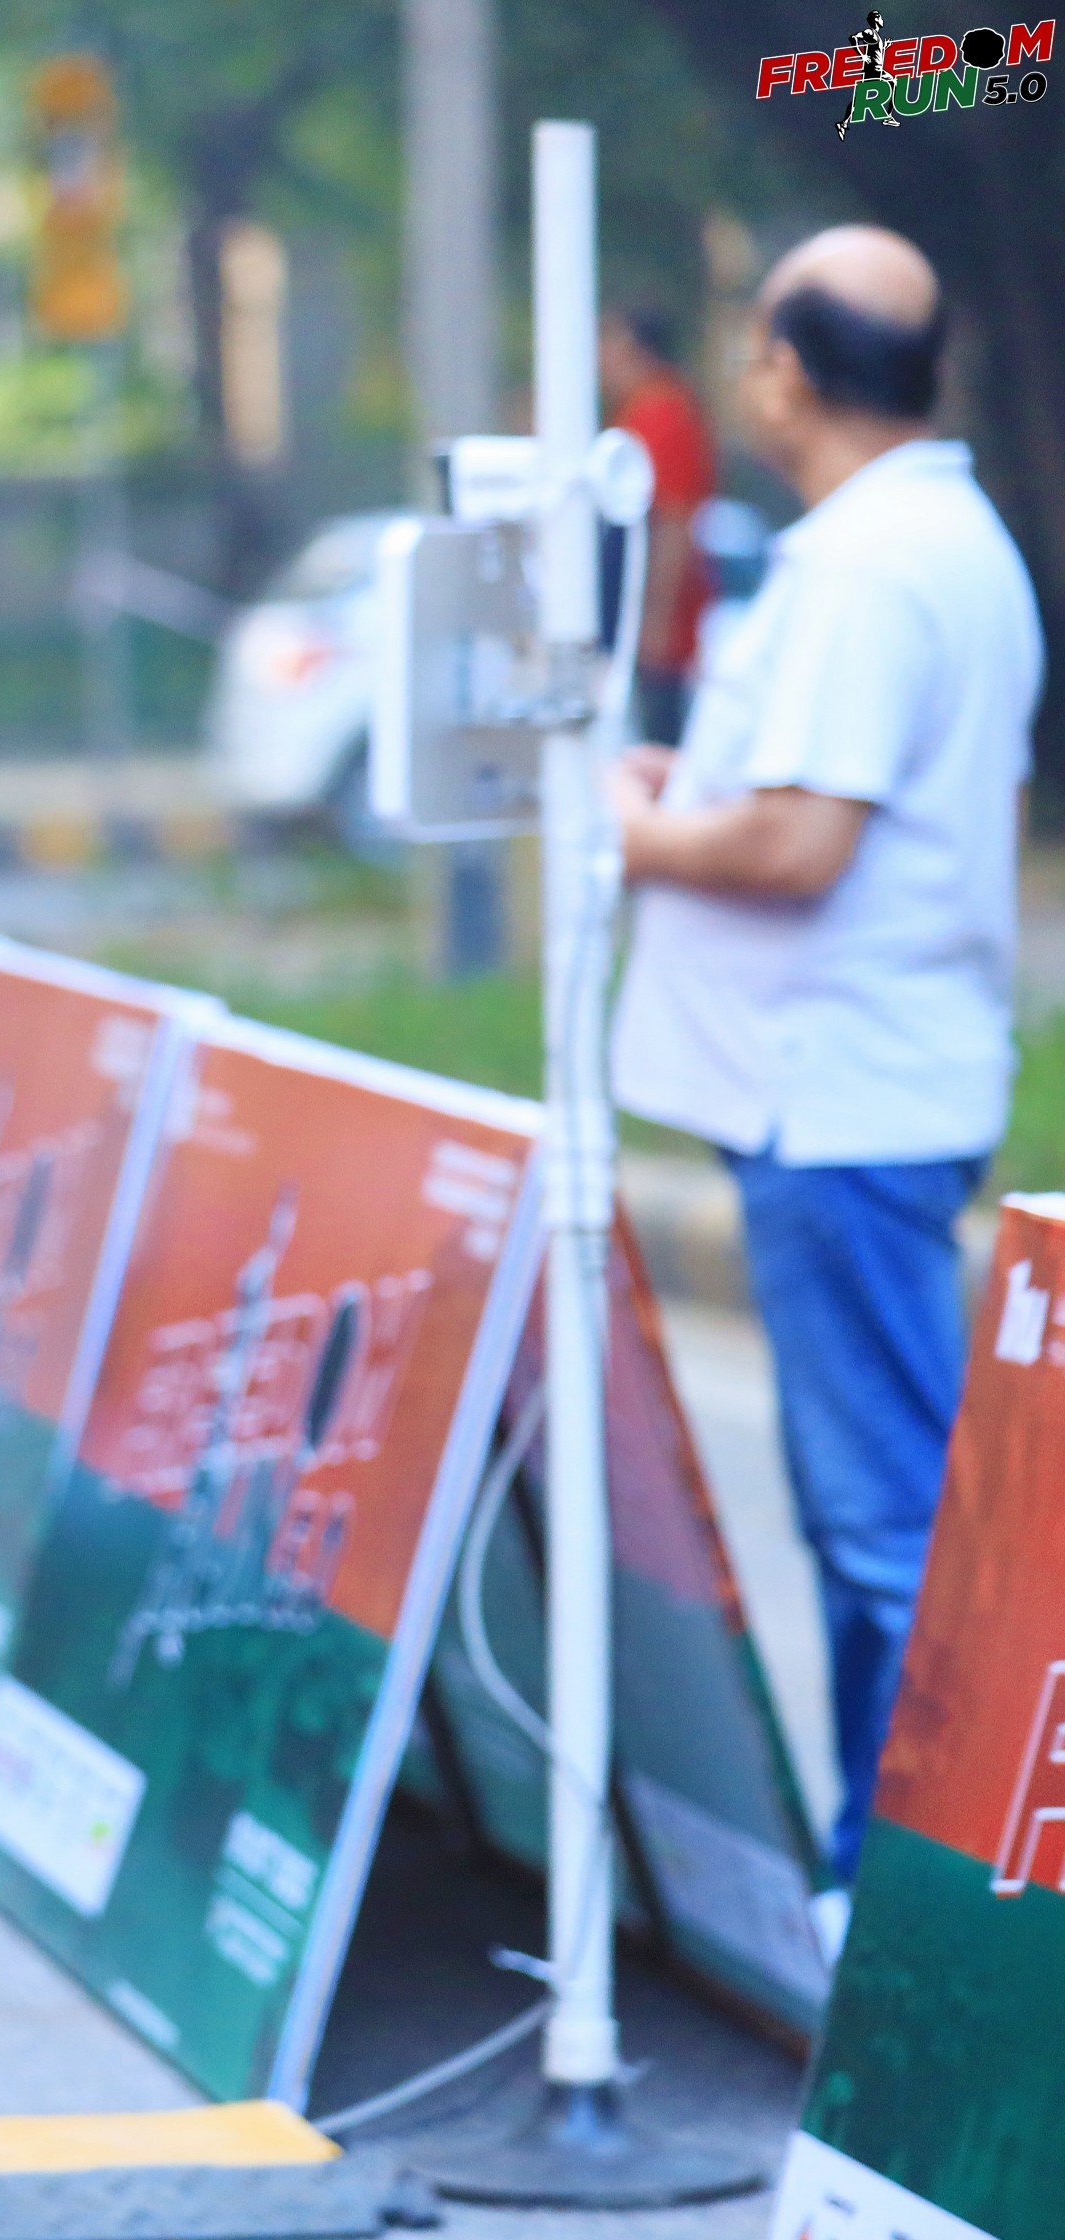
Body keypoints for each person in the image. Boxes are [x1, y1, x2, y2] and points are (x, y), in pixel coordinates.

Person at [609, 226, 1044, 1913]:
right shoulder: (945, 536)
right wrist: (696, 799)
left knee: (885, 1528)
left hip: (842, 1100)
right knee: (874, 1512)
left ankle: (931, 1907)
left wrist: (636, 833)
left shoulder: (868, 566)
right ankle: (880, 1877)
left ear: (788, 370)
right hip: (874, 1085)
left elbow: (800, 844)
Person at [599, 307, 718, 746]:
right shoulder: (641, 410)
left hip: (654, 627)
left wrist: (655, 618)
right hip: (637, 618)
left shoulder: (663, 412)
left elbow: (673, 521)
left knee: (652, 740)